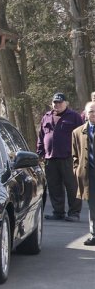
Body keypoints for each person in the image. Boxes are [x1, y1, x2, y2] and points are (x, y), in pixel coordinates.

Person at [37, 92, 83, 222]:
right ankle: (58, 212)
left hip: (68, 157)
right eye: (55, 102)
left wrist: (80, 154)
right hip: (50, 157)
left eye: (60, 102)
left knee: (72, 186)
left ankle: (74, 213)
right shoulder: (46, 117)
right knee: (54, 186)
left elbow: (81, 136)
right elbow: (41, 136)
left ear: (66, 103)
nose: (57, 105)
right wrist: (40, 152)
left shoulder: (74, 117)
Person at [72, 101, 95, 246]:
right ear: (86, 114)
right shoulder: (77, 132)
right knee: (92, 206)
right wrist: (77, 170)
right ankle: (93, 235)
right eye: (91, 111)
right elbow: (75, 155)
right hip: (88, 174)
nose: (93, 114)